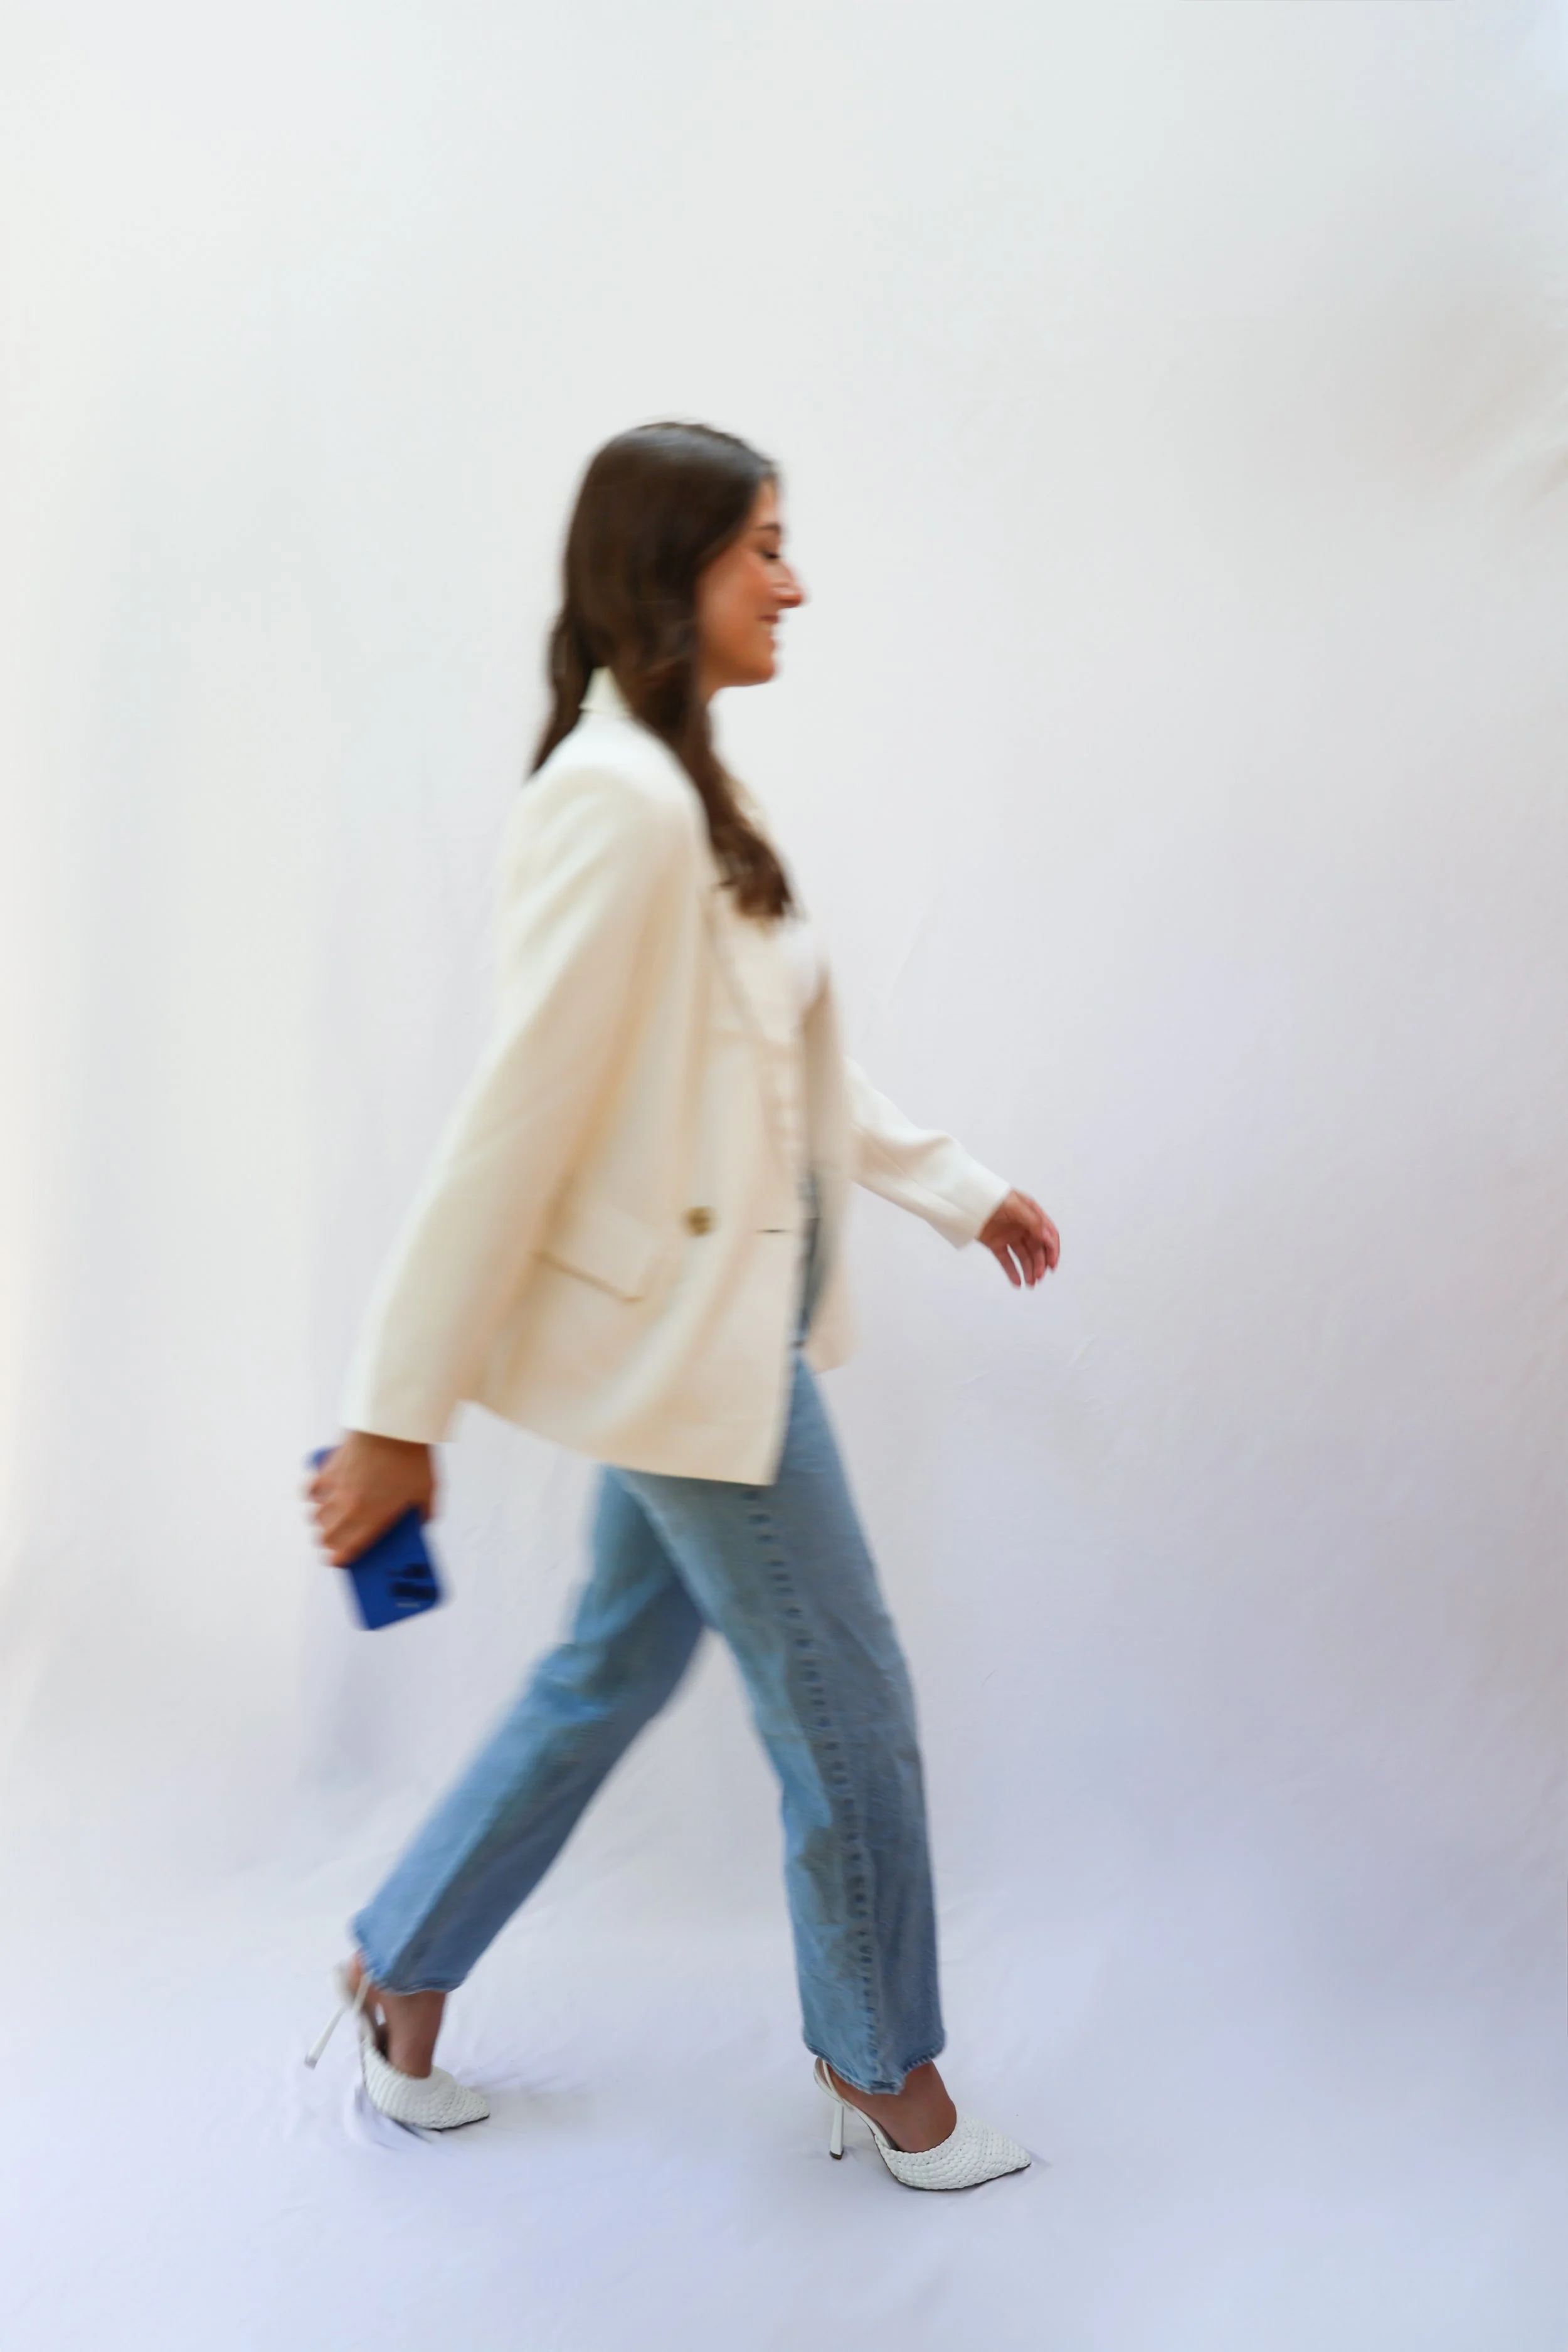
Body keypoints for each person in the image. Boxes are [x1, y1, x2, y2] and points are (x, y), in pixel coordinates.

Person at [304, 422, 1061, 2189]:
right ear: (672, 571)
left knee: (604, 1673)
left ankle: (401, 1965)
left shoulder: (688, 788)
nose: (793, 583)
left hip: (716, 1343)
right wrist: (395, 1417)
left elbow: (779, 1059)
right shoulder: (617, 803)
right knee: (849, 1704)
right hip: (692, 1360)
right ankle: (886, 2071)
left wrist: (954, 1188)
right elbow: (512, 1124)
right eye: (761, 548)